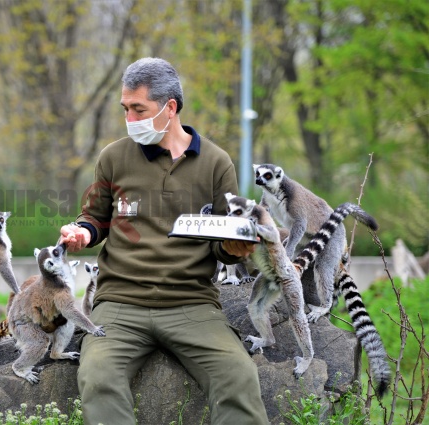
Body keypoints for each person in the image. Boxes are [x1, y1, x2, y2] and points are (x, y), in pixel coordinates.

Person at [60, 57, 269, 425]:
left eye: (139, 109)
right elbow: (96, 218)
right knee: (98, 377)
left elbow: (223, 242)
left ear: (170, 107)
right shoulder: (113, 158)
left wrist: (235, 249)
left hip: (192, 303)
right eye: (126, 109)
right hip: (120, 304)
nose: (130, 119)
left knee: (239, 376)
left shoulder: (217, 164)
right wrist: (81, 232)